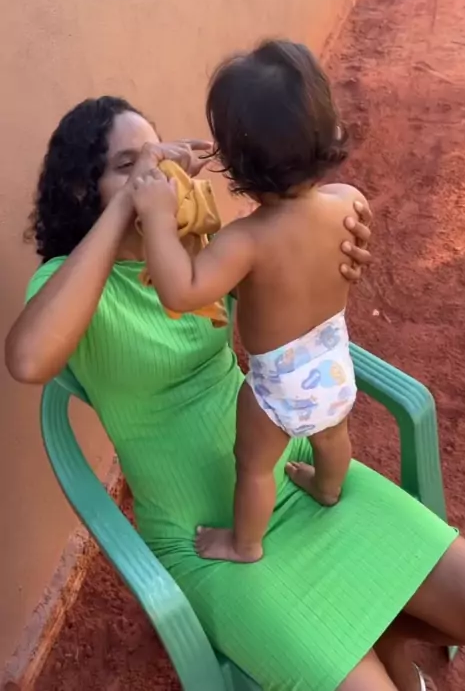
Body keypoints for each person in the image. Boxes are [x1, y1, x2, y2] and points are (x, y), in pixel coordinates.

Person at [5, 94, 465, 691]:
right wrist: (126, 207)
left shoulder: (192, 248)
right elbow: (28, 360)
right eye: (128, 165)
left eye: (156, 155)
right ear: (82, 191)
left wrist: (336, 251)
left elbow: (286, 283)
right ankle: (364, 643)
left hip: (294, 471)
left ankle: (382, 634)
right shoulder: (71, 281)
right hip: (202, 535)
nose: (153, 174)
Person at [131, 40, 364, 564]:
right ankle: (328, 489)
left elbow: (180, 290)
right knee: (333, 436)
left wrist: (160, 219)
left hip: (277, 385)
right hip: (333, 363)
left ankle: (245, 544)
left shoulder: (245, 241)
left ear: (237, 164)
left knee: (254, 466)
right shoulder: (349, 201)